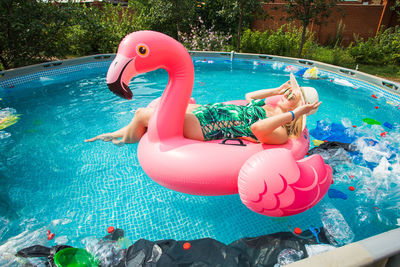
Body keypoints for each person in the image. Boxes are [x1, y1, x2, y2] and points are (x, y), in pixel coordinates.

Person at [85, 75, 321, 146]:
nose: (287, 94)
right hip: (209, 111)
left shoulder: (280, 130)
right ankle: (118, 134)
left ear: (298, 109)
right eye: (289, 90)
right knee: (146, 112)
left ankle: (123, 140)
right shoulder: (268, 108)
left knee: (141, 114)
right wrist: (276, 90)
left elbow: (256, 129)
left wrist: (295, 115)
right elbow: (249, 97)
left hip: (208, 126)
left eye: (292, 95)